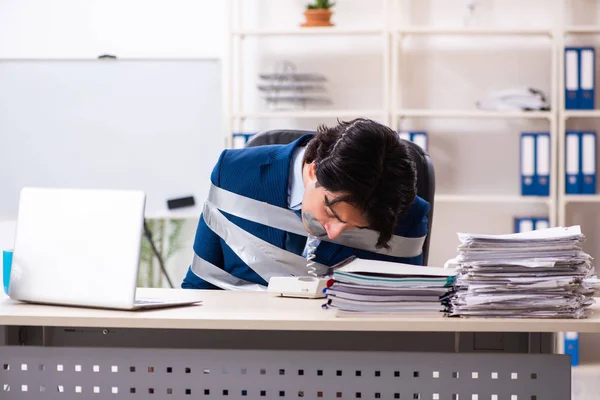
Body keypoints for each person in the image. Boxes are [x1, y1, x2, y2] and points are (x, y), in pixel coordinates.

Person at [181, 118, 430, 290]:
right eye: (332, 212)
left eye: (356, 227)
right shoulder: (233, 172)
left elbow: (404, 319)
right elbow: (199, 286)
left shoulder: (406, 215)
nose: (333, 233)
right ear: (313, 171)